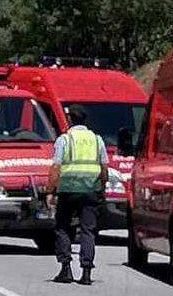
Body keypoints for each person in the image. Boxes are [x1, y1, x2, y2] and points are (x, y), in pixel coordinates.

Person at [45, 105, 108, 285]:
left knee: (63, 228)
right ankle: (86, 272)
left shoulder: (64, 139)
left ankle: (66, 269)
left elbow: (56, 167)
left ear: (70, 120)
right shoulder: (97, 140)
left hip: (68, 191)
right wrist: (102, 189)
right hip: (90, 191)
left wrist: (50, 191)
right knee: (88, 230)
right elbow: (104, 168)